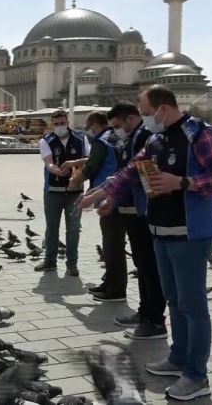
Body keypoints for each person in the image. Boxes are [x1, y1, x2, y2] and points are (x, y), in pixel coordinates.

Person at [79, 85, 212, 401]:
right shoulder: (155, 139)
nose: (145, 120)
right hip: (160, 230)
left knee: (193, 305)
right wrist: (100, 192)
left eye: (147, 114)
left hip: (191, 232)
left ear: (163, 109)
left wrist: (184, 182)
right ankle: (178, 358)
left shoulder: (199, 134)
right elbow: (131, 171)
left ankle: (196, 375)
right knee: (174, 300)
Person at [107, 102, 167, 339]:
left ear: (132, 118)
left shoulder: (145, 136)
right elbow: (128, 172)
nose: (116, 131)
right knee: (143, 265)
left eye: (118, 125)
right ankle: (145, 312)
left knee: (150, 267)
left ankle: (155, 320)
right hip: (134, 208)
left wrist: (109, 196)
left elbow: (142, 174)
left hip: (144, 210)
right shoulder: (134, 137)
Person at [63, 111, 124, 300]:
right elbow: (96, 160)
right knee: (114, 244)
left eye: (90, 127)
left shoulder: (101, 140)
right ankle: (110, 283)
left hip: (108, 197)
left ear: (96, 124)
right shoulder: (115, 138)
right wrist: (77, 161)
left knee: (112, 245)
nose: (89, 131)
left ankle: (114, 289)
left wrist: (75, 181)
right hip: (117, 194)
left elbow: (92, 166)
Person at [35, 109, 87, 276]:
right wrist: (57, 171)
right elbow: (48, 163)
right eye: (56, 124)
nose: (59, 127)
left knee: (73, 229)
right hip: (53, 191)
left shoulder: (81, 138)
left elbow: (89, 160)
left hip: (75, 191)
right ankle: (50, 262)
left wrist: (75, 168)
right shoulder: (46, 140)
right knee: (52, 228)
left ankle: (72, 264)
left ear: (68, 122)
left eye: (62, 123)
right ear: (52, 124)